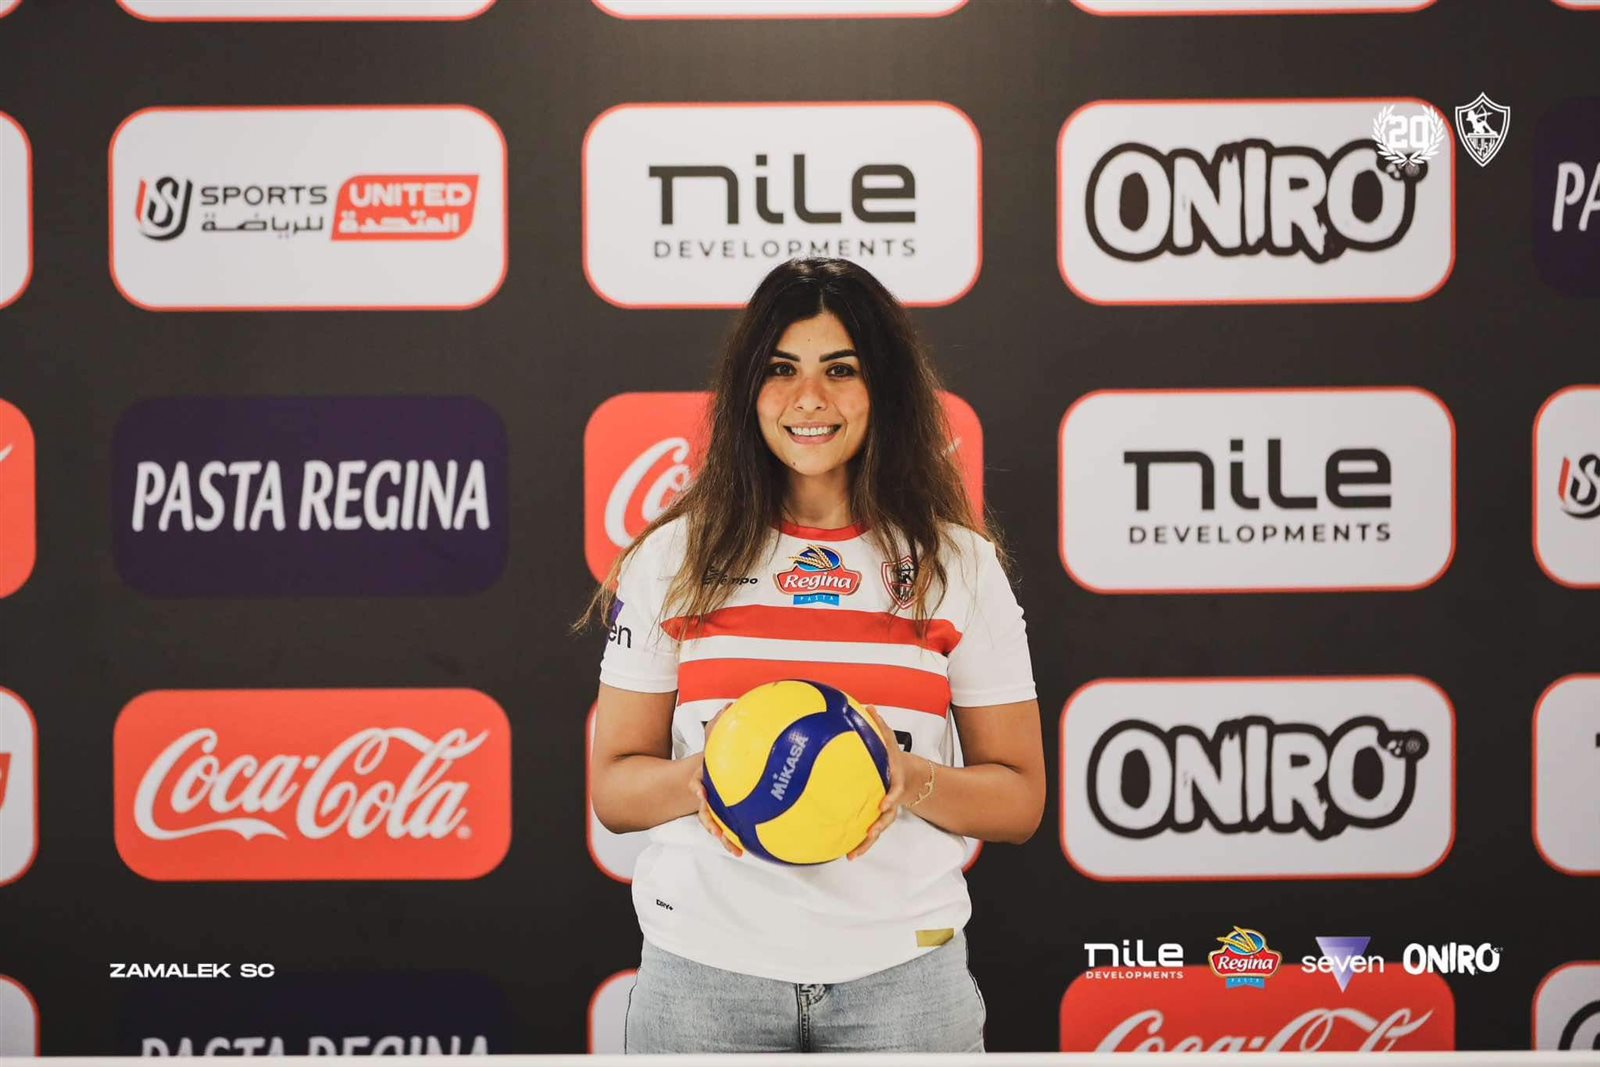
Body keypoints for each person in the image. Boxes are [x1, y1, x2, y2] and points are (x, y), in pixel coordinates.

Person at [583, 257, 1044, 1054]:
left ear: (883, 388)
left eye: (841, 369)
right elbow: (615, 789)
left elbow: (1019, 798)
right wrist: (714, 779)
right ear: (747, 390)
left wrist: (906, 778)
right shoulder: (674, 558)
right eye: (780, 369)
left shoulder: (958, 565)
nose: (809, 398)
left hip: (905, 975)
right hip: (704, 975)